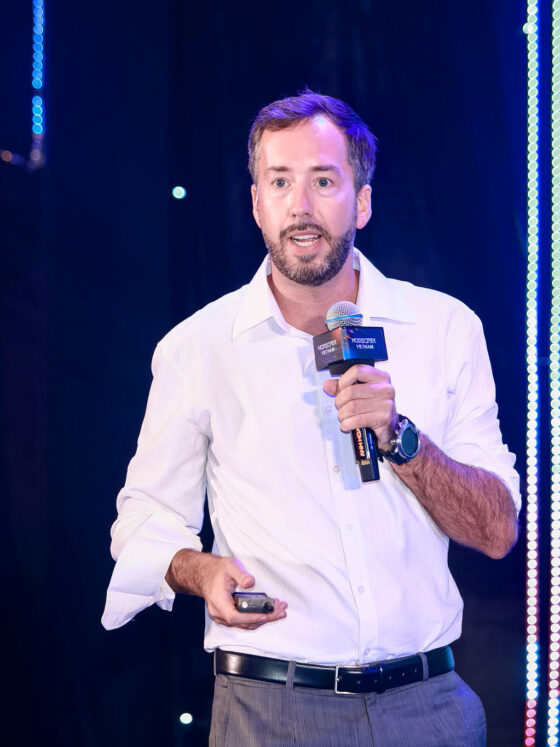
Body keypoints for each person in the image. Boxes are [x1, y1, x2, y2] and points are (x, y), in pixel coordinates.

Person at [102, 91, 520, 746]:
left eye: (323, 181)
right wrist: (202, 571)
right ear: (256, 203)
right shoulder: (199, 347)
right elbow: (142, 522)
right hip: (272, 711)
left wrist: (400, 437)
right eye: (280, 182)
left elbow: (496, 530)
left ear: (363, 201)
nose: (300, 205)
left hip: (428, 708)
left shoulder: (444, 328)